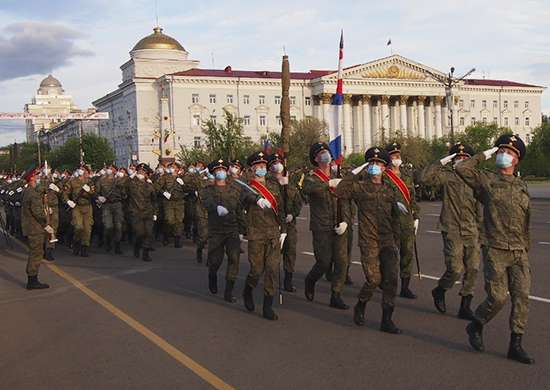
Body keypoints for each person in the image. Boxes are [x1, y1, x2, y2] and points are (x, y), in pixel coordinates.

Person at [456, 134, 535, 364]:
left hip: (518, 251)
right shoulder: (487, 180)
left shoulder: (521, 185)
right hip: (495, 248)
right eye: (501, 151)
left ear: (517, 160)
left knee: (522, 297)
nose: (504, 155)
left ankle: (516, 345)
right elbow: (462, 168)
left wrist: (526, 245)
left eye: (509, 152)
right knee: (498, 297)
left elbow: (526, 219)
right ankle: (477, 324)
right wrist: (486, 153)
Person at [334, 147, 402, 334]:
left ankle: (387, 319)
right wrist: (355, 171)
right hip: (369, 240)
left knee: (391, 280)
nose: (375, 166)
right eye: (371, 163)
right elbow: (339, 191)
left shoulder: (389, 189)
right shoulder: (360, 187)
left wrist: (396, 239)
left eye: (378, 163)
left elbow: (395, 216)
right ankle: (361, 303)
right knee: (373, 279)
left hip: (388, 240)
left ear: (384, 167)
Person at [420, 142, 483, 320]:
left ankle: (465, 306)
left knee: (473, 269)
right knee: (455, 268)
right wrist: (442, 162)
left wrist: (479, 227)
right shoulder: (447, 177)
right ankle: (440, 290)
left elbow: (479, 204)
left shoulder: (475, 179)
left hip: (471, 230)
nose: (461, 161)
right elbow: (424, 178)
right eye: (457, 158)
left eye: (465, 158)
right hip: (452, 228)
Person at [302, 142, 351, 310]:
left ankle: (335, 294)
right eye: (322, 153)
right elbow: (307, 188)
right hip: (321, 226)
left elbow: (344, 200)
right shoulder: (312, 177)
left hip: (339, 225)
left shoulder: (338, 175)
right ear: (316, 159)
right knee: (323, 262)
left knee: (342, 261)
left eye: (327, 152)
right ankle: (310, 279)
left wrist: (345, 220)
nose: (326, 155)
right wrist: (329, 184)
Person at [240, 151, 287, 320]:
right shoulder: (248, 186)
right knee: (256, 270)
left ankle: (268, 306)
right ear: (252, 168)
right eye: (258, 166)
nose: (261, 168)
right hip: (256, 234)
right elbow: (244, 196)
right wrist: (257, 200)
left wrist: (284, 230)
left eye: (263, 166)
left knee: (272, 270)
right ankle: (248, 290)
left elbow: (280, 207)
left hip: (273, 234)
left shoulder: (273, 185)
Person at [201, 158, 246, 302]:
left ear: (227, 171)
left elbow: (239, 209)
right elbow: (206, 202)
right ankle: (212, 275)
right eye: (217, 170)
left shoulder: (234, 188)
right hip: (216, 231)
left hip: (232, 228)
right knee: (215, 260)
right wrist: (216, 208)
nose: (220, 172)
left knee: (234, 259)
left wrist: (241, 231)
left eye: (222, 170)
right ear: (213, 173)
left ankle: (229, 290)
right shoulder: (208, 189)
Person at [384, 142, 420, 299]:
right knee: (390, 254)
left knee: (407, 253)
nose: (397, 158)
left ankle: (405, 286)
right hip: (389, 221)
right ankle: (386, 282)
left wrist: (416, 215)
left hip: (406, 221)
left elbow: (412, 198)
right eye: (393, 155)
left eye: (398, 155)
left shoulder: (406, 176)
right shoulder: (383, 175)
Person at [267, 152, 302, 292]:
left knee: (290, 251)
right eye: (274, 163)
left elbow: (298, 202)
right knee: (274, 253)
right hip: (273, 223)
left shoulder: (290, 183)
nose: (278, 165)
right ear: (270, 168)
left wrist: (293, 214)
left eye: (279, 162)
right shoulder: (268, 184)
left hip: (290, 224)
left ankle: (288, 280)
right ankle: (271, 279)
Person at [119, 163, 158, 262]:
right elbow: (119, 183)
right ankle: (136, 245)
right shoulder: (131, 183)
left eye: (143, 171)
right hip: (136, 211)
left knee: (149, 233)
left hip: (148, 211)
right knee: (140, 233)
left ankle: (146, 253)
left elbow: (154, 200)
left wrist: (155, 213)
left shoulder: (149, 185)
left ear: (146, 174)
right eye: (139, 171)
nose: (141, 173)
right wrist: (130, 176)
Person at [20, 165, 51, 290]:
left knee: (35, 252)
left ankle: (32, 279)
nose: (39, 178)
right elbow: (37, 212)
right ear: (32, 178)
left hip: (31, 226)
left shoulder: (26, 191)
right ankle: (32, 281)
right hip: (35, 228)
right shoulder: (32, 193)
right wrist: (46, 224)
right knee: (36, 253)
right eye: (37, 176)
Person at [63, 165, 96, 257]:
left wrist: (89, 191)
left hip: (87, 207)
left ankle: (84, 248)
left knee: (87, 229)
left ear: (87, 172)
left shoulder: (90, 182)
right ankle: (76, 242)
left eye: (83, 170)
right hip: (77, 207)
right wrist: (68, 201)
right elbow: (65, 193)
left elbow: (94, 195)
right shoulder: (72, 181)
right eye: (80, 169)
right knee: (78, 227)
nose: (81, 171)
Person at [155, 162, 188, 248]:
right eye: (170, 166)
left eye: (173, 166)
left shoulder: (182, 178)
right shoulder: (165, 178)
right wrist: (163, 193)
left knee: (179, 221)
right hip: (169, 202)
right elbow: (157, 187)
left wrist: (183, 184)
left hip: (179, 202)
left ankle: (177, 240)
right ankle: (166, 235)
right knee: (169, 220)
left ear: (177, 169)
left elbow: (187, 189)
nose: (171, 168)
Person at [96, 165, 125, 254]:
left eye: (112, 169)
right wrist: (99, 197)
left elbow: (125, 192)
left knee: (118, 226)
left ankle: (117, 245)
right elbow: (96, 192)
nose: (110, 170)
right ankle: (108, 242)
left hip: (117, 204)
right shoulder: (101, 181)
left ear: (115, 171)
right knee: (108, 226)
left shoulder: (119, 181)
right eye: (109, 169)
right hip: (106, 204)